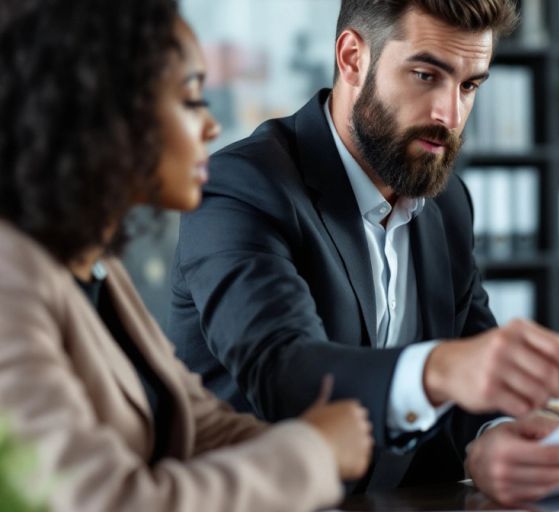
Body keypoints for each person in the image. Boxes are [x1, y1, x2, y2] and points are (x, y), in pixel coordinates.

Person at [167, 0, 559, 502]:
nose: (451, 115)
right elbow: (283, 371)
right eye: (424, 75)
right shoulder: (242, 185)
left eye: (469, 85)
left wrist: (499, 432)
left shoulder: (447, 202)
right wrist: (438, 368)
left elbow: (472, 349)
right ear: (352, 58)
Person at [0, 1, 373, 510]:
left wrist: (322, 445)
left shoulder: (94, 267)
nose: (211, 127)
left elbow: (196, 423)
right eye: (191, 99)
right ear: (105, 113)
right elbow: (100, 502)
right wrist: (315, 453)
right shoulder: (10, 276)